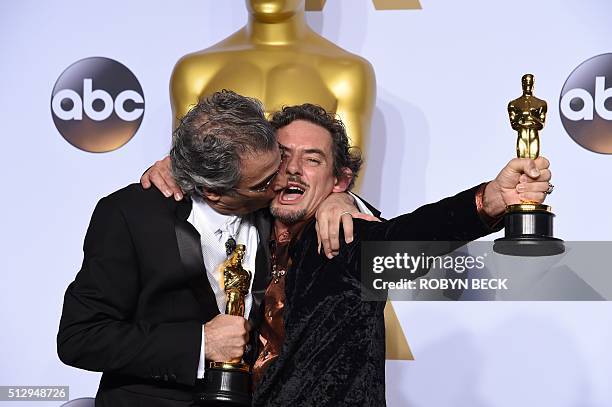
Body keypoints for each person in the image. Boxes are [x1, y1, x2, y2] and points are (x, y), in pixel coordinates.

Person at [143, 103, 552, 406]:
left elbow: (413, 234)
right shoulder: (239, 237)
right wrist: (173, 168)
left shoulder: (344, 242)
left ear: (340, 179)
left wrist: (489, 202)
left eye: (313, 159)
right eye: (282, 156)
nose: (293, 170)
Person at [56, 90, 365, 407]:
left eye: (279, 164)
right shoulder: (131, 215)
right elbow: (79, 338)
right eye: (262, 184)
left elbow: (404, 258)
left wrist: (344, 199)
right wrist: (199, 343)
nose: (280, 182)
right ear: (213, 191)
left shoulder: (278, 214)